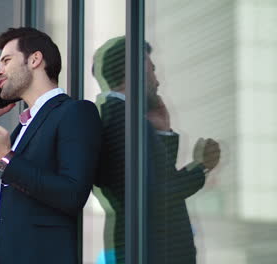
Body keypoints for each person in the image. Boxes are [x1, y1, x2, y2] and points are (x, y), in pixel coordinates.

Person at [0, 27, 102, 264]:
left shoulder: (74, 112)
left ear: (35, 59)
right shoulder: (21, 129)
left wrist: (5, 158)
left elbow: (72, 194)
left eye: (6, 60)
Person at [93, 37, 221, 263]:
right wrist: (201, 168)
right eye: (151, 70)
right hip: (151, 251)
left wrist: (162, 131)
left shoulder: (124, 118)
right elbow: (155, 194)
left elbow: (157, 178)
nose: (157, 81)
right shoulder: (123, 120)